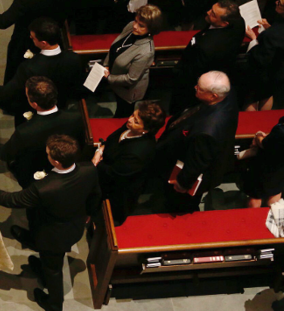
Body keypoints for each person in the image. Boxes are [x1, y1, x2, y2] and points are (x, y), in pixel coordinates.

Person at [0, 135, 101, 311]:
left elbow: (12, 200)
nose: (46, 156)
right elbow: (95, 194)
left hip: (53, 237)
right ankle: (43, 265)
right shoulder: (88, 169)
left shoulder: (46, 187)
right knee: (48, 260)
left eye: (48, 154)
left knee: (54, 270)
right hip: (74, 226)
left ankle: (54, 306)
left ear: (57, 162)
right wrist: (89, 214)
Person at [0, 77, 85, 187]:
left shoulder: (26, 131)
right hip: (66, 164)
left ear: (34, 104)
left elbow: (4, 153)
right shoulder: (75, 117)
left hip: (33, 171)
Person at [0, 17, 83, 124]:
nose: (31, 38)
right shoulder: (74, 58)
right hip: (60, 106)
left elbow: (4, 94)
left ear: (44, 43)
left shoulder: (30, 68)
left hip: (32, 111)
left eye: (33, 38)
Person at [155, 71, 239, 213]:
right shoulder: (228, 96)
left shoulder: (207, 131)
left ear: (214, 96)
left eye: (200, 88)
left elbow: (196, 164)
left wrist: (182, 183)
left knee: (180, 202)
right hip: (203, 146)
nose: (195, 88)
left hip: (187, 167)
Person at [91, 101, 165, 225]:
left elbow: (114, 173)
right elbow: (111, 139)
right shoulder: (129, 127)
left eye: (136, 121)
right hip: (104, 172)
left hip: (118, 190)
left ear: (146, 130)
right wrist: (100, 150)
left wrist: (97, 163)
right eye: (132, 115)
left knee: (105, 217)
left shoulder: (139, 152)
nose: (130, 120)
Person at [169, 0, 245, 116]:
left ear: (225, 23)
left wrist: (178, 72)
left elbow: (193, 71)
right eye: (211, 9)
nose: (208, 12)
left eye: (213, 14)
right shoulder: (239, 22)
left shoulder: (208, 47)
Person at [101, 5, 163, 117]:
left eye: (141, 26)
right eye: (135, 21)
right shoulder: (130, 27)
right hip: (115, 79)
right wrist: (106, 64)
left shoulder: (146, 51)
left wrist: (109, 78)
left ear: (151, 29)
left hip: (127, 91)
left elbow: (131, 78)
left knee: (122, 114)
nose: (135, 26)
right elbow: (115, 47)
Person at [244, 0, 284, 111]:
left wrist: (253, 39)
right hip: (279, 72)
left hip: (267, 73)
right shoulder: (276, 29)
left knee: (251, 97)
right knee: (268, 94)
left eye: (280, 3)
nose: (276, 2)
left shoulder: (272, 34)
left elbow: (259, 58)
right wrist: (270, 29)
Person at [241, 116, 284, 208]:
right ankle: (271, 220)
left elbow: (264, 144)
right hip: (280, 168)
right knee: (275, 194)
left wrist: (258, 136)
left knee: (255, 197)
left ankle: (252, 219)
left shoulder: (281, 132)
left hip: (265, 167)